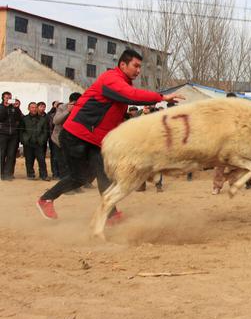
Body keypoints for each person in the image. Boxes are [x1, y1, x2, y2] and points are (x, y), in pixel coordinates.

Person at [35, 49, 183, 220]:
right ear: (122, 64)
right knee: (82, 177)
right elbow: (132, 96)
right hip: (76, 135)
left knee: (100, 175)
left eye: (140, 67)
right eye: (135, 66)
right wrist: (161, 97)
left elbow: (114, 117)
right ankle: (47, 199)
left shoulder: (122, 84)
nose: (138, 70)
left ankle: (111, 215)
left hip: (93, 139)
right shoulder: (111, 79)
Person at [21, 102, 50, 181]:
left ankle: (44, 175)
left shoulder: (43, 119)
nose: (34, 109)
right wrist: (24, 139)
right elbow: (21, 131)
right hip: (28, 142)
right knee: (29, 160)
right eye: (32, 107)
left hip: (39, 143)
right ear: (29, 108)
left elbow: (45, 131)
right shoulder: (24, 119)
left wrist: (42, 140)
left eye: (35, 107)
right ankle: (30, 175)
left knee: (41, 160)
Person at [0, 91, 23, 181]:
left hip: (13, 134)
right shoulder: (1, 107)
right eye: (7, 98)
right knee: (1, 154)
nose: (8, 99)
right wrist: (5, 108)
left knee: (11, 154)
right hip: (2, 133)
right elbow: (1, 118)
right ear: (3, 98)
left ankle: (8, 173)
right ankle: (1, 173)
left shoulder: (14, 108)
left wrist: (17, 108)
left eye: (10, 98)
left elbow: (20, 118)